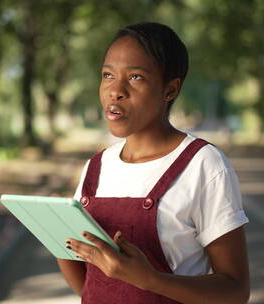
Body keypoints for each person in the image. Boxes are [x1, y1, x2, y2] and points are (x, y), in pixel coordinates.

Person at [56, 22, 250, 304]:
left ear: (170, 90)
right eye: (107, 75)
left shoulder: (204, 164)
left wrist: (148, 280)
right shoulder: (97, 167)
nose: (115, 90)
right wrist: (56, 232)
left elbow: (235, 291)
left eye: (135, 77)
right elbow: (87, 280)